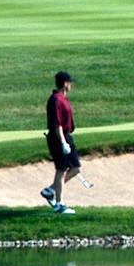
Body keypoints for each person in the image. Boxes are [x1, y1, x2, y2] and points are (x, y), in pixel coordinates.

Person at [40, 71, 83, 214]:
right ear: (65, 84)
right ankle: (59, 204)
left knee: (76, 168)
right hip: (58, 138)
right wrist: (63, 142)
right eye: (70, 82)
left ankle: (51, 190)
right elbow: (57, 124)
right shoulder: (56, 100)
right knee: (61, 169)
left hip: (66, 136)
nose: (71, 85)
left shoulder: (63, 99)